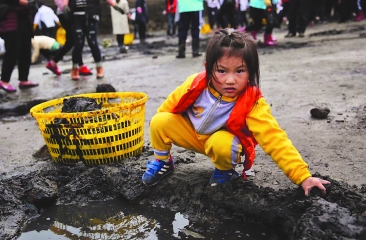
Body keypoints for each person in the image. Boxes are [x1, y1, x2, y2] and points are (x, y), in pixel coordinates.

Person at [141, 29, 331, 196]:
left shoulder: (252, 101)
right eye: (222, 71)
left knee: (222, 143)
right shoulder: (195, 83)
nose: (230, 80)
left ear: (251, 72)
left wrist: (302, 177)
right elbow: (169, 107)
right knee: (159, 120)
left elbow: (274, 138)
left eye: (240, 71)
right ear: (209, 68)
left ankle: (225, 171)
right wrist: (161, 134)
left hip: (221, 144)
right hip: (191, 135)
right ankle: (163, 162)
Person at [67, 0, 120, 80]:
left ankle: (99, 68)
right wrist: (64, 6)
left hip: (92, 14)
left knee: (93, 42)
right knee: (78, 43)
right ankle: (74, 69)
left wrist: (113, 4)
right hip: (76, 15)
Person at [0, 0, 38, 92]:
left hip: (24, 19)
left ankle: (24, 79)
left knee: (26, 51)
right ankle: (4, 81)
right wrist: (23, 2)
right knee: (12, 51)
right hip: (11, 18)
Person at [45, 0, 92, 76]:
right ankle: (80, 66)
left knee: (72, 40)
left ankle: (54, 62)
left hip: (71, 12)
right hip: (66, 13)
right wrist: (65, 7)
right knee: (74, 40)